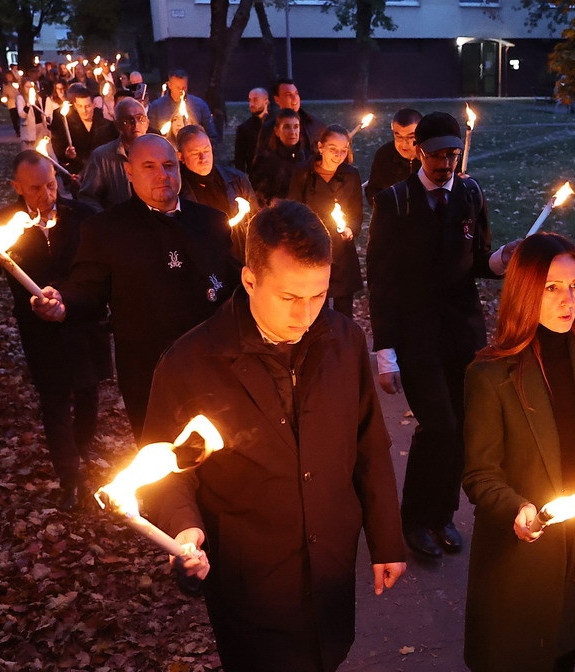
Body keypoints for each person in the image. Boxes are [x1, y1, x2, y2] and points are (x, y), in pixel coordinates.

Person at [142, 200, 407, 672]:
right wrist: (183, 527)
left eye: (319, 295)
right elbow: (165, 469)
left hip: (330, 566)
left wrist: (386, 537)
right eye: (288, 298)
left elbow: (369, 442)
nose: (305, 315)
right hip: (252, 583)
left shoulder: (344, 341)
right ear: (249, 280)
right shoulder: (191, 363)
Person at [463, 233, 575, 672]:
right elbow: (480, 474)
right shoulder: (491, 375)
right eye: (552, 287)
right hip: (516, 566)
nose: (567, 299)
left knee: (562, 650)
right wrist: (516, 508)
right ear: (524, 291)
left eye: (574, 286)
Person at [366, 111, 515, 559]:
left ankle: (443, 515)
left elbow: (478, 259)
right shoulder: (395, 202)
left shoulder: (470, 193)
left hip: (463, 333)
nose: (445, 164)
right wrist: (385, 352)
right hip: (417, 336)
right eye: (436, 155)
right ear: (418, 153)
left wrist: (503, 259)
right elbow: (381, 281)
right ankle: (415, 519)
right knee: (439, 426)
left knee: (463, 425)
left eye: (452, 154)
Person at [31, 135, 240, 437]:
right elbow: (87, 289)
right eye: (149, 166)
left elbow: (235, 284)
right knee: (160, 451)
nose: (162, 175)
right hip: (148, 369)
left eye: (169, 165)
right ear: (129, 172)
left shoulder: (211, 222)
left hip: (212, 362)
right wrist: (63, 303)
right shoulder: (105, 230)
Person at [0, 151, 109, 512]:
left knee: (88, 391)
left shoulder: (84, 216)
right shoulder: (0, 226)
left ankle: (84, 447)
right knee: (54, 398)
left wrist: (70, 298)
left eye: (51, 184)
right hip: (39, 328)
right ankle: (70, 477)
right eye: (35, 188)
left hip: (83, 319)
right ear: (17, 187)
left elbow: (99, 271)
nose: (46, 194)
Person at [286, 125, 362, 317]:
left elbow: (356, 212)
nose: (338, 155)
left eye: (343, 150)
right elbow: (293, 211)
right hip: (312, 248)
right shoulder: (304, 173)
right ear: (320, 147)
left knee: (344, 308)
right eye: (333, 149)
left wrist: (350, 229)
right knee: (317, 305)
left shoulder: (351, 175)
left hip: (341, 251)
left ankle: (343, 336)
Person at [77, 97, 149, 210]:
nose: (135, 124)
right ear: (117, 125)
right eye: (127, 120)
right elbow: (88, 197)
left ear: (147, 122)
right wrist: (107, 218)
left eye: (140, 118)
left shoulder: (160, 153)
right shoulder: (102, 157)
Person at [176, 124, 256, 222]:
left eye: (206, 150)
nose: (203, 158)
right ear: (181, 156)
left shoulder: (237, 180)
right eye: (195, 153)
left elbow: (257, 221)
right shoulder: (176, 193)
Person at [52, 82, 118, 176]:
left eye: (87, 106)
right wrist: (67, 154)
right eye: (80, 106)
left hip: (102, 173)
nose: (84, 110)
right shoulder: (67, 126)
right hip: (78, 174)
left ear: (94, 104)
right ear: (75, 106)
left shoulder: (106, 125)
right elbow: (59, 149)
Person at [249, 108, 312, 206]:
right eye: (287, 127)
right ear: (277, 131)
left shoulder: (308, 158)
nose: (292, 132)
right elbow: (260, 196)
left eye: (296, 127)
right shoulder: (265, 161)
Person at [363, 107, 421, 207]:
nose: (404, 143)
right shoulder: (384, 155)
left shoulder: (432, 155)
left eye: (411, 137)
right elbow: (373, 189)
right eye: (399, 137)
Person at [255, 79, 325, 159]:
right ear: (277, 99)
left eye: (296, 93)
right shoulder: (268, 128)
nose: (294, 98)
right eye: (288, 95)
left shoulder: (316, 125)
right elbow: (261, 159)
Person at [147, 69, 219, 145]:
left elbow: (211, 135)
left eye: (184, 87)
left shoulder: (200, 105)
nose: (181, 91)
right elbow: (152, 137)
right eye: (178, 88)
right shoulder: (157, 107)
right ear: (170, 85)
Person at [233, 87, 269, 174]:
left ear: (266, 102)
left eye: (255, 100)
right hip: (255, 176)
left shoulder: (277, 124)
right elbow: (239, 159)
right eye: (250, 100)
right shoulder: (244, 129)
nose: (251, 104)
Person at [15, 79, 43, 149]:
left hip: (40, 127)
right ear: (23, 87)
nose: (29, 89)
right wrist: (27, 105)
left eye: (31, 87)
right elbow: (22, 115)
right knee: (29, 150)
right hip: (29, 129)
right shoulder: (20, 98)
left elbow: (41, 112)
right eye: (27, 87)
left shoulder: (38, 98)